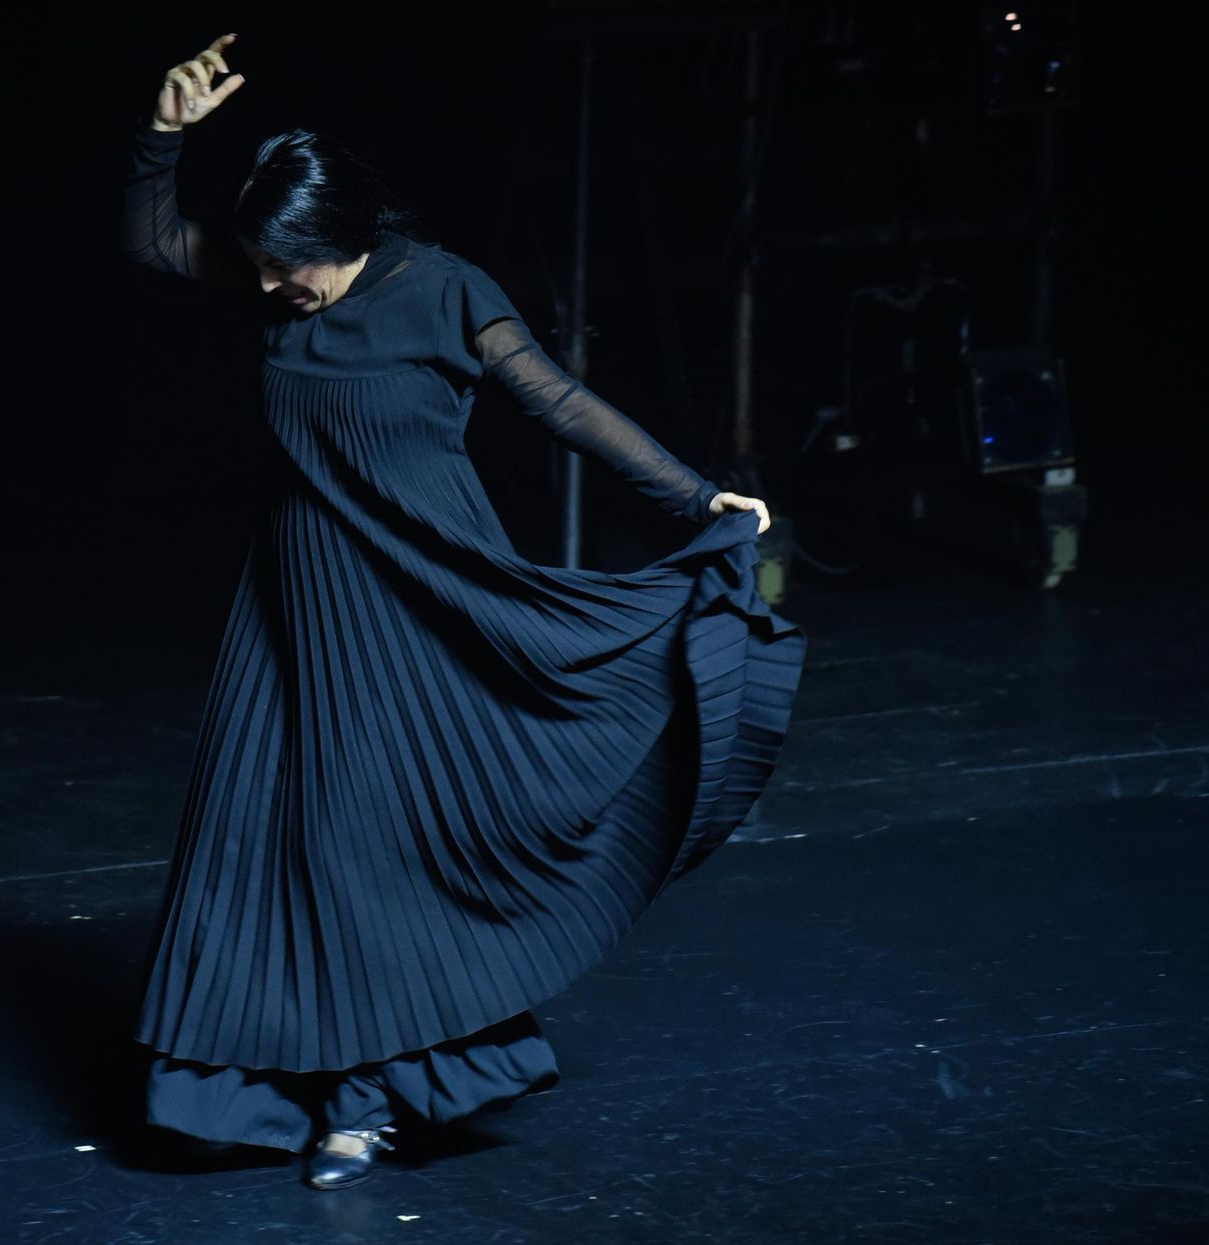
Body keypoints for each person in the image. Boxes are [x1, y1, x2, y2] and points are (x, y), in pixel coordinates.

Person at [121, 34, 808, 1191]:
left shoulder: (445, 293)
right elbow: (148, 238)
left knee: (366, 849)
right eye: (262, 270)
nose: (277, 293)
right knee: (257, 849)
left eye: (296, 275)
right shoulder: (272, 273)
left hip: (423, 604)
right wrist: (163, 131)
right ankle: (285, 1090)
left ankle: (363, 1105)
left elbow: (562, 405)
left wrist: (696, 496)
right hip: (291, 608)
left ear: (347, 243)